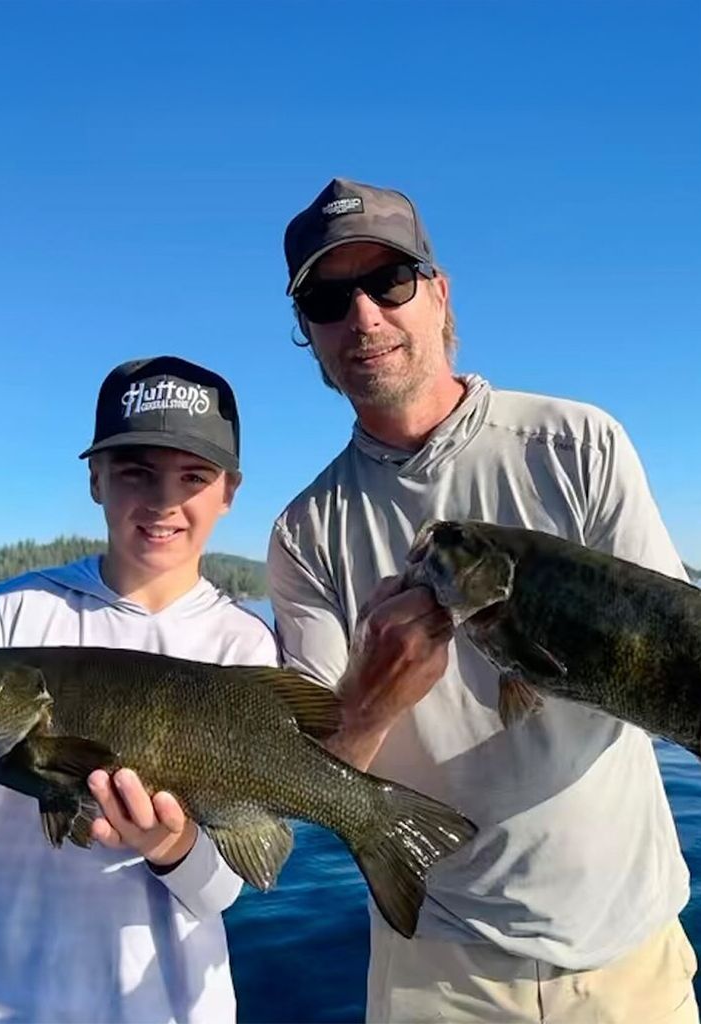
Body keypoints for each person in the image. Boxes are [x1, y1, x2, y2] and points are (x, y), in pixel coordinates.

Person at [268, 177, 699, 1023]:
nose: (363, 317)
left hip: (624, 948)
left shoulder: (578, 445)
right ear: (306, 333)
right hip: (434, 962)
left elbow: (669, 647)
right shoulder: (303, 533)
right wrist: (368, 697)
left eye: (388, 282)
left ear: (438, 293)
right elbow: (306, 783)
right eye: (327, 298)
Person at [0, 355, 278, 1024]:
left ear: (228, 492)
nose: (162, 501)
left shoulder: (242, 646)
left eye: (192, 477)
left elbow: (223, 892)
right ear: (95, 478)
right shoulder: (15, 612)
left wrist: (168, 847)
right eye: (134, 473)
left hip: (172, 1006)